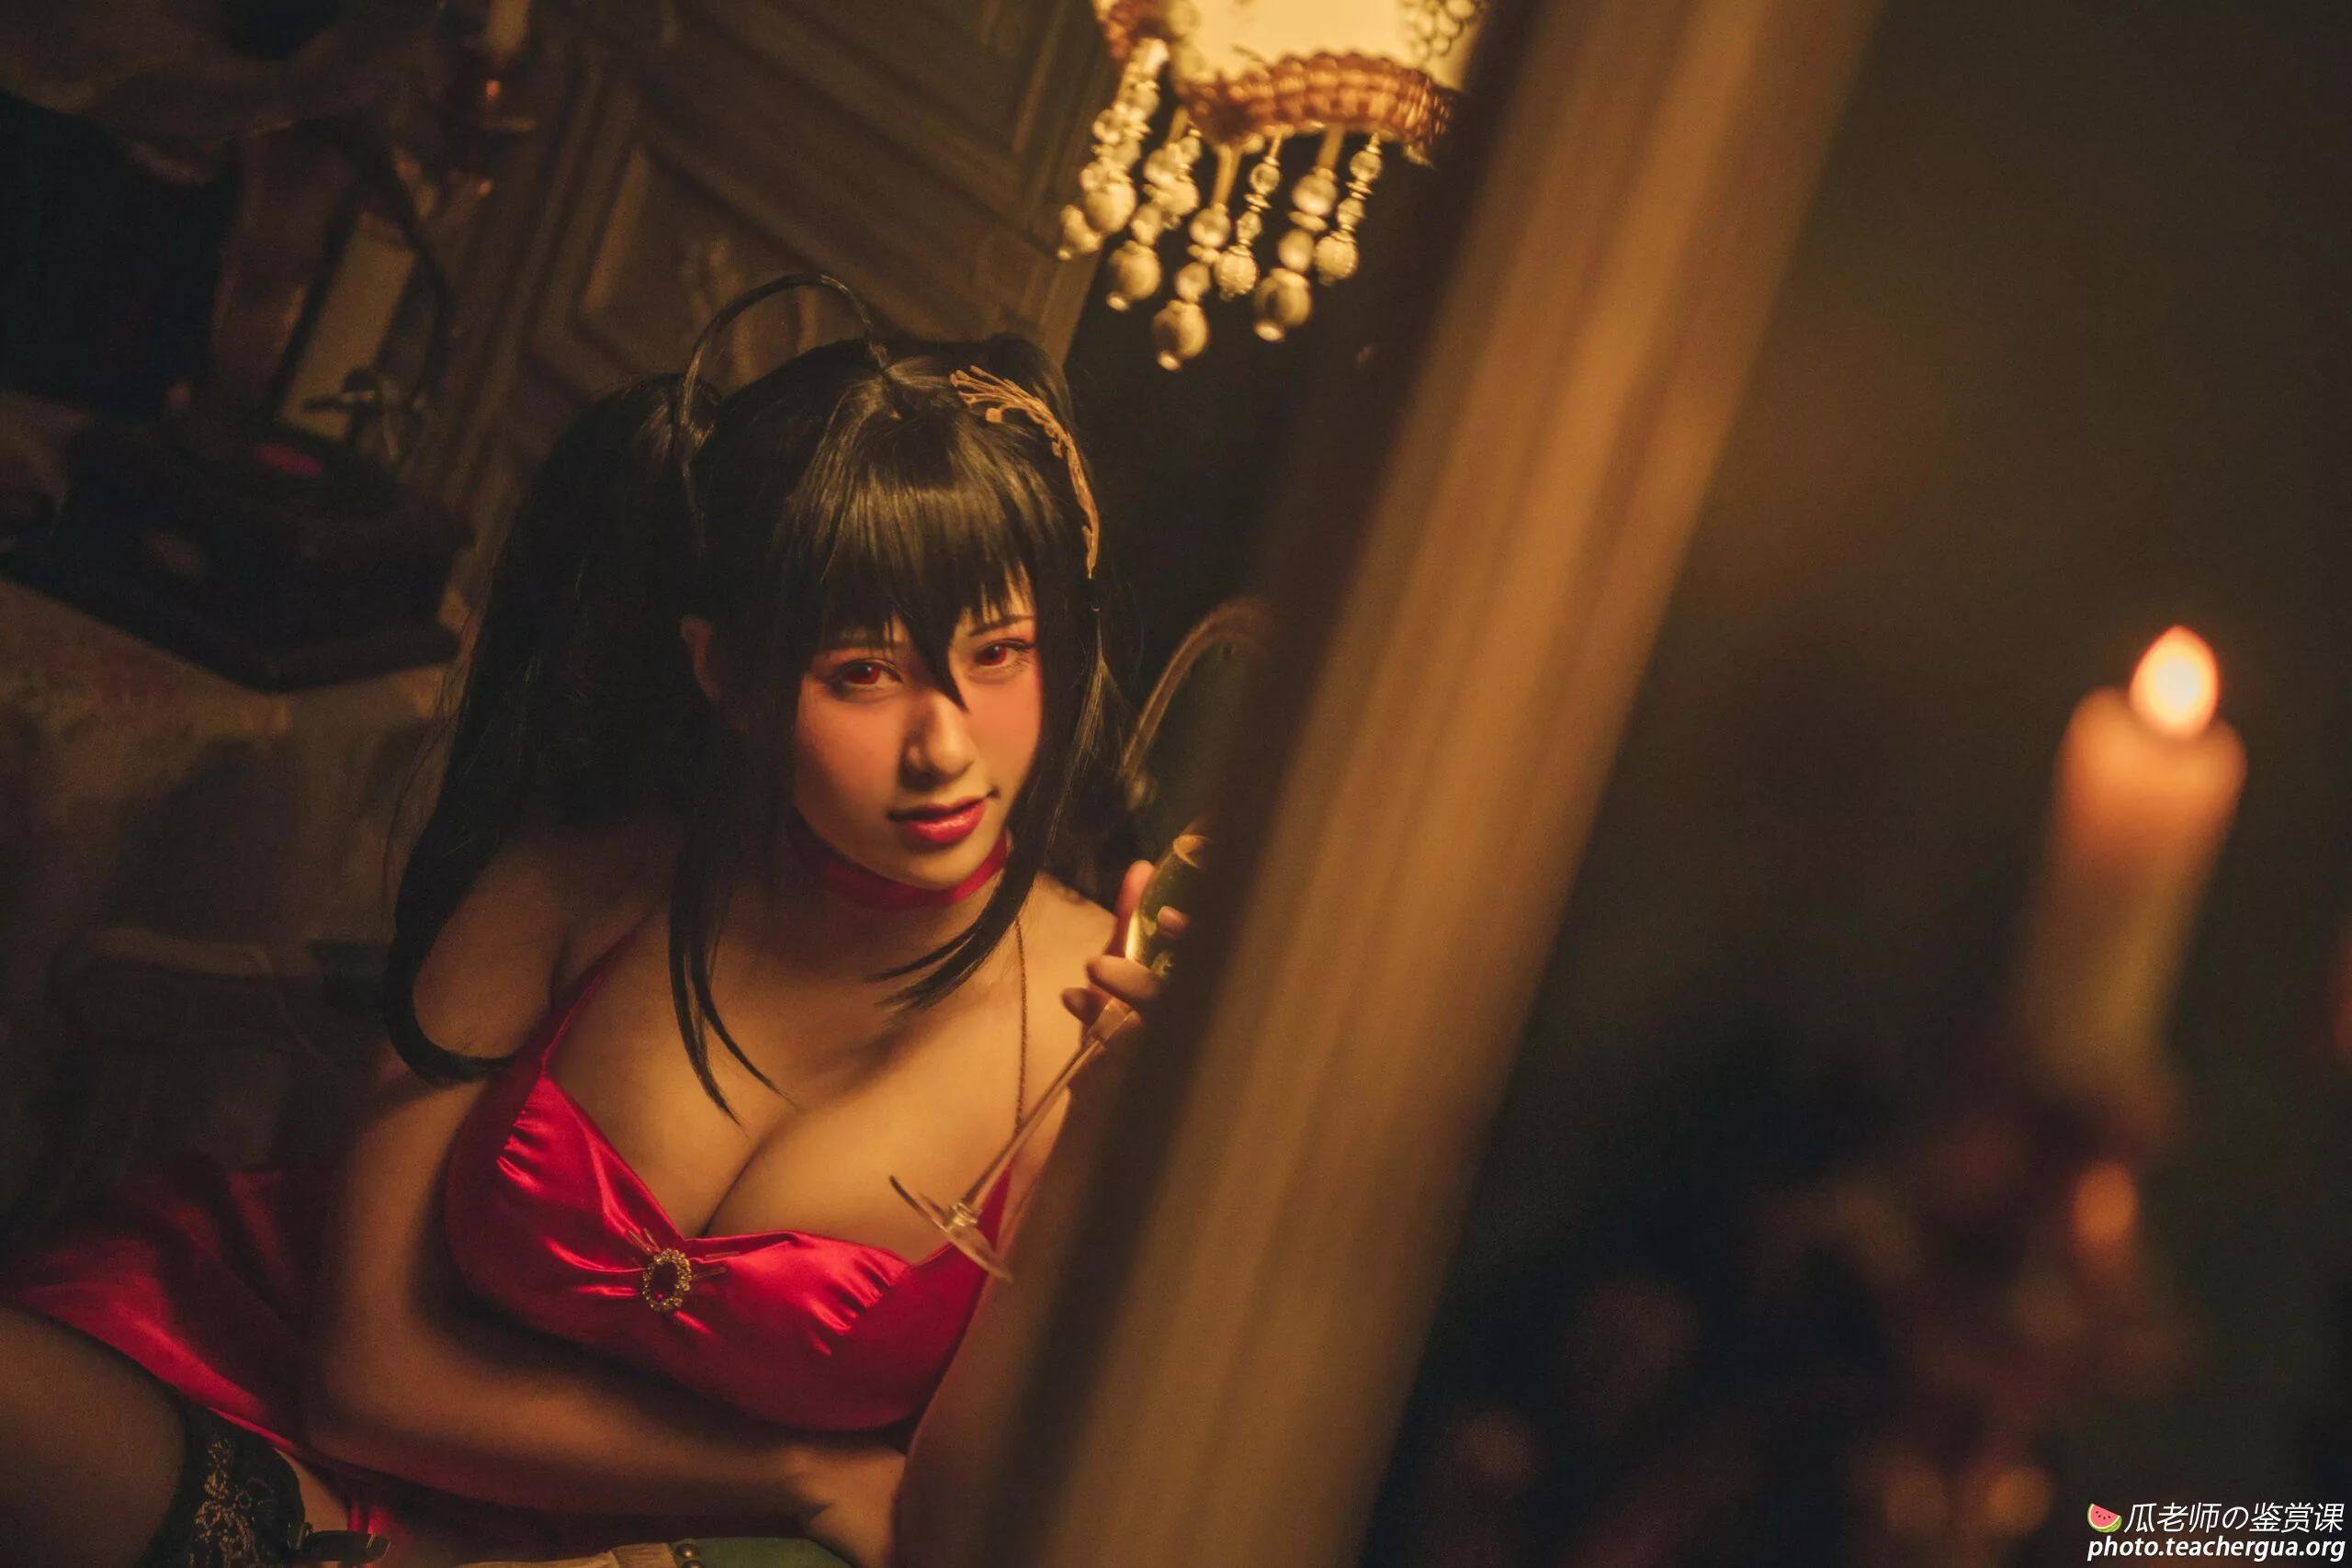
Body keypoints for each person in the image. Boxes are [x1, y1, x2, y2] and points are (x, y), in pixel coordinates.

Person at [0, 275, 1166, 1568]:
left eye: (999, 652)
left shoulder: (1098, 1029)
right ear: (726, 672)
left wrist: (1121, 1124)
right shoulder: (585, 874)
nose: (944, 746)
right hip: (264, 1401)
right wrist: (798, 1472)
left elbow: (955, 1525)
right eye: (864, 672)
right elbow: (363, 1381)